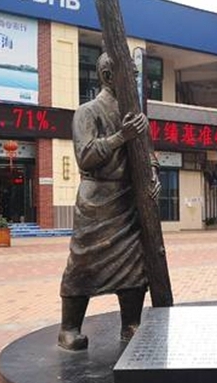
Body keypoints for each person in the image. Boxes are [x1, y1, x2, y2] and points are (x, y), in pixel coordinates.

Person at [58, 52, 159, 351]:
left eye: (135, 76)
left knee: (134, 264)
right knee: (83, 262)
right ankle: (69, 328)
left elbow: (149, 156)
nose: (135, 81)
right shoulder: (87, 112)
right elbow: (86, 155)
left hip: (128, 200)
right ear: (107, 76)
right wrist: (120, 137)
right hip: (97, 200)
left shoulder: (137, 118)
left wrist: (153, 176)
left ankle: (131, 324)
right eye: (130, 74)